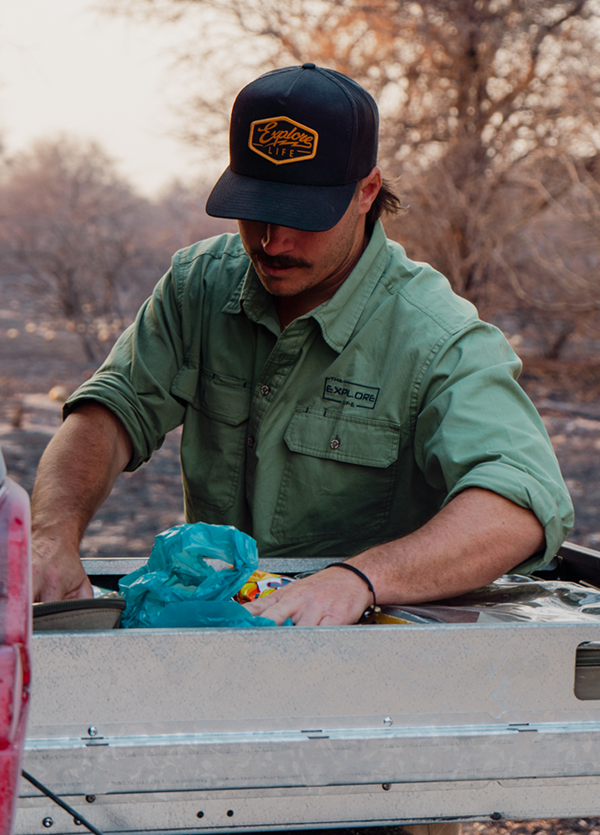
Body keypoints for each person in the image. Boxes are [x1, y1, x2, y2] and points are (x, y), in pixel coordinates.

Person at [31, 63, 573, 627]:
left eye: (301, 216)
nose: (273, 240)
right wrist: (50, 536)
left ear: (367, 192)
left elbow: (519, 503)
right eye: (258, 209)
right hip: (224, 631)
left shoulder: (436, 336)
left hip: (375, 653)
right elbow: (110, 413)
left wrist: (359, 580)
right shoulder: (200, 285)